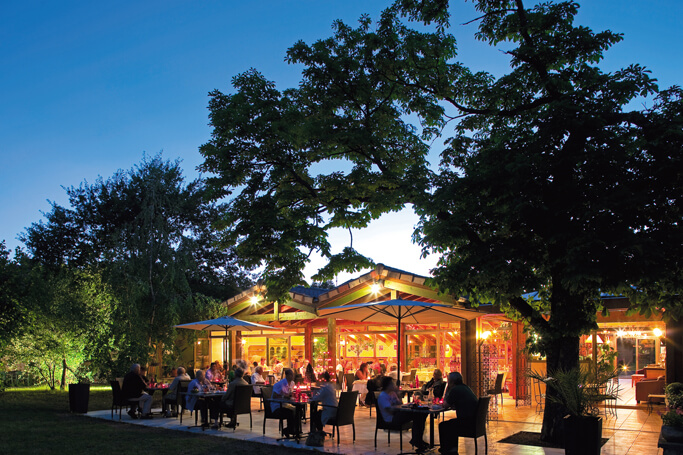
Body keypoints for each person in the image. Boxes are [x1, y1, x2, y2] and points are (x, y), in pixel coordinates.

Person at [378, 376, 428, 451]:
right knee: (417, 414)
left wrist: (398, 394)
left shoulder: (392, 394)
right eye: (392, 384)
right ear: (388, 385)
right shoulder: (383, 396)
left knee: (420, 414)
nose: (394, 385)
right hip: (391, 419)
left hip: (397, 414)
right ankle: (417, 440)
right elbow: (389, 410)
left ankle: (417, 440)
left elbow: (400, 404)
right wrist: (399, 408)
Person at [438, 372, 478, 454]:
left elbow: (445, 405)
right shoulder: (466, 387)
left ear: (451, 382)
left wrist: (447, 390)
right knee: (451, 424)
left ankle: (446, 449)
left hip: (466, 423)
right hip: (475, 422)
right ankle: (452, 449)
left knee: (443, 425)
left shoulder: (454, 390)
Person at [271, 368, 297, 437]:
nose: (292, 376)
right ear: (287, 375)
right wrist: (284, 397)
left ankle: (294, 429)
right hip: (277, 406)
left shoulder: (292, 383)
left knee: (298, 411)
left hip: (286, 404)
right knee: (290, 412)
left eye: (293, 375)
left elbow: (290, 393)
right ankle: (288, 430)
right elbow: (274, 396)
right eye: (291, 375)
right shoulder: (279, 384)